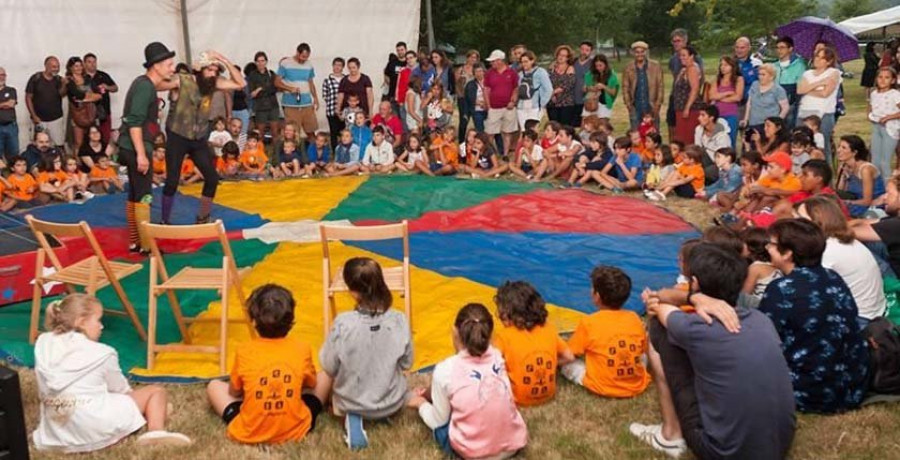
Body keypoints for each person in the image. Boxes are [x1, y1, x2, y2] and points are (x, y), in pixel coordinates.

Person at [632, 244, 795, 459]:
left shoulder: (694, 328)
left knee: (659, 329)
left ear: (695, 282)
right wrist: (697, 297)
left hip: (723, 451)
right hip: (779, 444)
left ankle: (670, 435)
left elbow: (658, 304)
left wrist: (692, 298)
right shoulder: (761, 320)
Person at [33, 294, 191, 452]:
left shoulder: (43, 344)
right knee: (155, 392)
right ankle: (156, 432)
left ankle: (147, 413)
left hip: (56, 431)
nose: (101, 326)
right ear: (81, 322)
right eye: (98, 320)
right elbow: (120, 389)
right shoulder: (103, 353)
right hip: (95, 428)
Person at [758, 219, 870, 413]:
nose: (767, 248)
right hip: (853, 385)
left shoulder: (782, 290)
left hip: (811, 392)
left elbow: (763, 341)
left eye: (772, 244)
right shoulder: (833, 276)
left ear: (788, 253)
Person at [407, 303, 528, 459]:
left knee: (444, 427)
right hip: (513, 445)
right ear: (491, 335)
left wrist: (420, 404)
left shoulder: (446, 370)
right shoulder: (498, 357)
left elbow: (438, 421)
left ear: (454, 332)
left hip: (474, 454)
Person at [206, 284, 323, 444]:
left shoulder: (244, 350)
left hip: (250, 430)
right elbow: (311, 383)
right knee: (325, 375)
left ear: (253, 321)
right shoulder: (302, 348)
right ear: (291, 319)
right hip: (296, 428)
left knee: (214, 385)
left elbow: (234, 392)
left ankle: (252, 410)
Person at [318, 257, 413, 450]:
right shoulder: (399, 319)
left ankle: (350, 416)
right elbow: (407, 363)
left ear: (352, 291)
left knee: (322, 376)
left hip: (350, 404)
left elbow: (328, 366)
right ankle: (380, 410)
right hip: (392, 403)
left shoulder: (343, 323)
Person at [157, 49, 245, 226]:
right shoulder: (184, 80)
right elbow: (157, 84)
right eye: (209, 70)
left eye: (215, 71)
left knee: (212, 178)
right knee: (172, 181)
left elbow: (240, 83)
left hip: (198, 139)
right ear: (200, 69)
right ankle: (164, 220)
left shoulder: (215, 83)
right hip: (178, 136)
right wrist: (165, 72)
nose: (212, 74)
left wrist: (224, 60)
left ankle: (203, 217)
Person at [116, 42, 173, 253]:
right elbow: (134, 122)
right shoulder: (144, 87)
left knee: (135, 193)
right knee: (144, 195)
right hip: (135, 147)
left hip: (131, 147)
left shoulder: (146, 84)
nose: (172, 68)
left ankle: (135, 241)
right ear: (156, 65)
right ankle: (147, 246)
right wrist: (141, 154)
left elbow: (167, 84)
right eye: (169, 64)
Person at [560, 266, 650, 399]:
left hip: (602, 385)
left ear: (596, 296)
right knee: (643, 356)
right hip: (635, 383)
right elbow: (642, 349)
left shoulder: (589, 322)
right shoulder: (634, 318)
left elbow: (570, 353)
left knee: (567, 364)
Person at [797, 197, 886, 328]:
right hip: (875, 311)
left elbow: (808, 289)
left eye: (800, 219)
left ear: (817, 222)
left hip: (862, 319)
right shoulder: (843, 241)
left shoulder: (827, 250)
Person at [491, 281, 573, 406]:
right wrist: (552, 364)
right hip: (548, 394)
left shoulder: (504, 336)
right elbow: (569, 357)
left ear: (507, 314)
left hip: (517, 398)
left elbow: (490, 366)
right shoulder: (549, 329)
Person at [797, 47, 842, 161]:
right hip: (805, 111)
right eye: (817, 56)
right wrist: (820, 82)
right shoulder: (807, 73)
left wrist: (809, 89)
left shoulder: (833, 73)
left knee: (823, 144)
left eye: (822, 58)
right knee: (802, 144)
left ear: (829, 61)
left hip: (824, 113)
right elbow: (800, 90)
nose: (818, 59)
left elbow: (825, 93)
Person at [275, 43, 319, 140]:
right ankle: (292, 152)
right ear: (297, 52)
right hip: (291, 105)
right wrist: (290, 88)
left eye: (306, 57)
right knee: (292, 133)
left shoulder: (309, 65)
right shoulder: (286, 63)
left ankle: (312, 152)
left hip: (307, 103)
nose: (304, 59)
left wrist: (315, 98)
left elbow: (311, 83)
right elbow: (277, 82)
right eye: (303, 56)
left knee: (311, 131)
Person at [835, 134, 886, 217]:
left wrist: (847, 202)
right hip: (856, 201)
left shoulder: (865, 170)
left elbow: (867, 201)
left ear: (854, 152)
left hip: (872, 206)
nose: (838, 150)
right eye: (839, 146)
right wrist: (843, 175)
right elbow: (841, 191)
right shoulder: (845, 167)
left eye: (843, 148)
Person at [742, 64, 789, 152]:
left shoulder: (778, 90)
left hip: (767, 127)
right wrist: (746, 119)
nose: (760, 77)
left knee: (764, 150)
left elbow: (785, 107)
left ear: (771, 77)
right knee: (749, 149)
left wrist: (777, 123)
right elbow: (749, 103)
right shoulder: (754, 85)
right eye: (759, 74)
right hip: (753, 123)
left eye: (763, 75)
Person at [667, 29, 703, 142]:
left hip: (689, 107)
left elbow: (695, 88)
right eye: (674, 41)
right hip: (678, 103)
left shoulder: (693, 67)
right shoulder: (675, 61)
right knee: (676, 131)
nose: (682, 57)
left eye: (679, 40)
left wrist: (687, 107)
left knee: (688, 137)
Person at [622, 41, 664, 131]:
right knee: (636, 134)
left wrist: (658, 104)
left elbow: (660, 86)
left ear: (646, 52)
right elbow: (625, 87)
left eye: (642, 52)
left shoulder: (655, 66)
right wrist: (629, 105)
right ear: (633, 53)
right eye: (637, 52)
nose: (640, 54)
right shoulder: (628, 68)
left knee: (653, 134)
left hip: (651, 106)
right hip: (636, 106)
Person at [484, 50, 519, 158]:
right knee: (490, 132)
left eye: (493, 61)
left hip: (508, 108)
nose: (491, 63)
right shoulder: (489, 73)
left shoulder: (512, 72)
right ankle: (490, 154)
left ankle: (505, 154)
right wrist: (488, 106)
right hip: (494, 108)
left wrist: (513, 101)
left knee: (507, 132)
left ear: (500, 61)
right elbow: (486, 90)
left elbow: (516, 88)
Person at [26, 56, 66, 147]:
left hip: (56, 119)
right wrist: (34, 115)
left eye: (58, 67)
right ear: (46, 66)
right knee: (39, 146)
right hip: (39, 120)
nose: (56, 69)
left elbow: (62, 94)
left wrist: (64, 84)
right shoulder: (35, 78)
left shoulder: (59, 79)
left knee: (59, 145)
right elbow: (28, 97)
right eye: (53, 67)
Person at [868, 66, 900, 180]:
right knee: (875, 161)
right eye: (880, 77)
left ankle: (888, 189)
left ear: (892, 80)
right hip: (877, 127)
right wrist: (871, 116)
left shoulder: (895, 94)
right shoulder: (874, 93)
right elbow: (871, 108)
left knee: (884, 162)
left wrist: (889, 117)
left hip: (890, 129)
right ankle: (876, 187)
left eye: (886, 78)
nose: (882, 80)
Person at [708, 56, 744, 147]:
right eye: (721, 65)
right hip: (717, 114)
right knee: (716, 140)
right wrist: (727, 93)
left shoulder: (739, 79)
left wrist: (719, 97)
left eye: (726, 65)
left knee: (730, 140)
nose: (723, 67)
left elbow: (738, 97)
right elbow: (711, 95)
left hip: (731, 114)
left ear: (732, 66)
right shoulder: (717, 80)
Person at [83, 53, 118, 143]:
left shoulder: (103, 75)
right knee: (88, 138)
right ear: (84, 63)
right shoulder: (81, 78)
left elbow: (115, 88)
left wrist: (107, 87)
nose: (92, 64)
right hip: (87, 113)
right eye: (89, 62)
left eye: (94, 62)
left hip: (104, 111)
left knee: (105, 137)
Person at [247, 51, 281, 141]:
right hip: (260, 107)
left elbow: (275, 89)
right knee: (260, 133)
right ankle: (260, 151)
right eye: (258, 61)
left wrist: (261, 89)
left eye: (262, 61)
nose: (260, 63)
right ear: (255, 62)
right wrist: (261, 90)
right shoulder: (252, 75)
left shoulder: (271, 73)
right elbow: (252, 94)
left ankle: (276, 152)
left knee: (275, 131)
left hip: (273, 105)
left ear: (266, 62)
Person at [515, 51, 552, 131]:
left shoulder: (540, 72)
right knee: (523, 129)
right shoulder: (520, 74)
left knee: (533, 130)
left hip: (535, 105)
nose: (524, 64)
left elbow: (548, 89)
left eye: (526, 61)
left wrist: (541, 103)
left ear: (532, 61)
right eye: (522, 62)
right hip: (522, 106)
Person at [774, 37, 806, 127]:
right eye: (777, 47)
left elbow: (800, 87)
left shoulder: (799, 66)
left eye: (782, 47)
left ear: (790, 49)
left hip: (790, 102)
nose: (779, 50)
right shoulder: (773, 66)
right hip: (774, 103)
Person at [694, 104, 730, 183]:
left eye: (703, 115)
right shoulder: (698, 129)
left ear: (711, 118)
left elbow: (722, 159)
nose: (699, 118)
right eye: (699, 115)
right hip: (704, 161)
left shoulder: (723, 136)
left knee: (706, 171)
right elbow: (697, 149)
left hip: (719, 165)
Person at [547, 45, 578, 127]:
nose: (561, 57)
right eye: (560, 55)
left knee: (564, 127)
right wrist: (550, 94)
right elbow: (546, 82)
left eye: (564, 56)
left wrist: (553, 92)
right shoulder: (551, 68)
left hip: (566, 103)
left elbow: (568, 84)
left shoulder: (570, 68)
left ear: (568, 58)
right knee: (554, 127)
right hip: (552, 103)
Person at [582, 54, 620, 122]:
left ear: (605, 64)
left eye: (600, 65)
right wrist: (590, 88)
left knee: (602, 127)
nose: (598, 68)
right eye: (596, 66)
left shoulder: (612, 76)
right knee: (586, 124)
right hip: (591, 103)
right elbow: (584, 89)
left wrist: (604, 87)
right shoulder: (590, 74)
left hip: (605, 104)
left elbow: (613, 93)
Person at [455, 49, 480, 141]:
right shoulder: (461, 69)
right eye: (471, 57)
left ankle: (477, 141)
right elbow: (456, 84)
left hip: (475, 98)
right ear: (467, 58)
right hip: (463, 98)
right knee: (463, 121)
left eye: (475, 57)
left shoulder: (479, 70)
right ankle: (461, 142)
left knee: (477, 121)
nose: (473, 59)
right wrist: (460, 96)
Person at [323, 57, 346, 148]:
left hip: (344, 111)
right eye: (335, 65)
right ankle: (335, 151)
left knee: (344, 132)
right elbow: (325, 95)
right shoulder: (327, 80)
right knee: (333, 132)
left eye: (339, 65)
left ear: (343, 67)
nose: (337, 67)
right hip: (331, 110)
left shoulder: (346, 79)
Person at [734, 36, 762, 106]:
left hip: (752, 102)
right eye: (737, 47)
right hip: (734, 102)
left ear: (749, 48)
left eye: (742, 48)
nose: (739, 50)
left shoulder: (756, 63)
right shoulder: (730, 64)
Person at [462, 64, 488, 133]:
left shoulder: (489, 82)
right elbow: (468, 99)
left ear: (484, 72)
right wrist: (466, 113)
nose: (478, 74)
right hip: (477, 110)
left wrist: (486, 103)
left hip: (489, 109)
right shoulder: (470, 84)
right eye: (476, 72)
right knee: (479, 130)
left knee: (491, 131)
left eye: (480, 71)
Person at [573, 41, 595, 124]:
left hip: (586, 99)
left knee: (585, 123)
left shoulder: (593, 64)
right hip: (572, 98)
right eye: (582, 49)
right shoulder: (573, 62)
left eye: (587, 50)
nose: (584, 52)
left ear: (591, 51)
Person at [0, 67, 18, 161]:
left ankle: (13, 175)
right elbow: (7, 104)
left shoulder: (11, 90)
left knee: (14, 153)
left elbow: (11, 104)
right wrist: (4, 104)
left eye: (3, 75)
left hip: (11, 126)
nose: (1, 77)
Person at [383, 42, 407, 111]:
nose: (400, 52)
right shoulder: (392, 62)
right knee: (394, 117)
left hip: (405, 96)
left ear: (406, 50)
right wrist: (390, 83)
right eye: (398, 50)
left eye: (402, 50)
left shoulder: (408, 63)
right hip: (393, 95)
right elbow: (386, 73)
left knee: (404, 118)